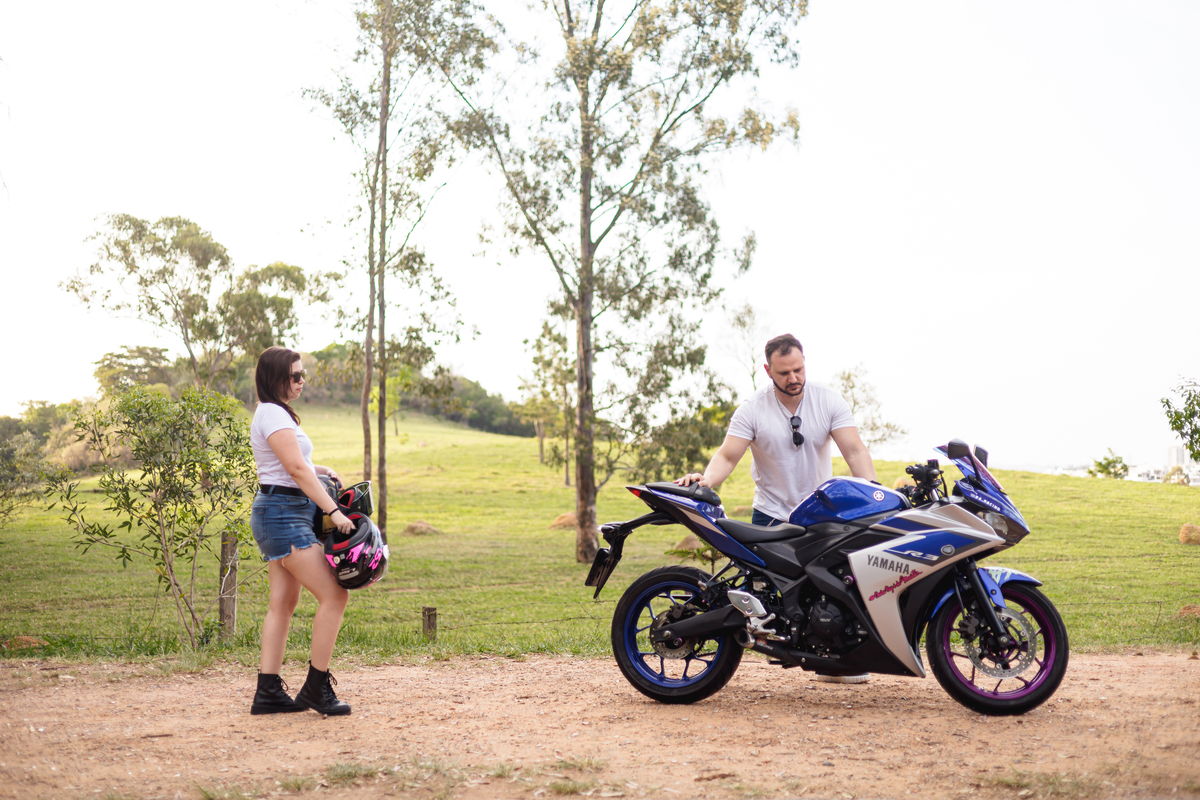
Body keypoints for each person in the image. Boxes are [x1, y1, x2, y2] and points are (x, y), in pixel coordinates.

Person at [675, 333, 876, 683]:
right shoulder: (753, 409)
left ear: (804, 362)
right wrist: (705, 481)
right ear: (768, 371)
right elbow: (728, 455)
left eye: (798, 369)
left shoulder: (828, 400)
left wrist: (874, 492)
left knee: (834, 584)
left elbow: (854, 450)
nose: (793, 378)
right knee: (767, 596)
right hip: (770, 514)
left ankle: (834, 660)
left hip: (819, 514)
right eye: (784, 373)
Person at [248, 346, 355, 716]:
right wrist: (334, 511)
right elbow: (294, 470)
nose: (301, 381)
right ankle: (316, 688)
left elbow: (294, 463)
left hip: (280, 510)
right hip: (283, 515)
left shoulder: (275, 412)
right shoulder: (273, 413)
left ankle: (268, 692)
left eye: (302, 374)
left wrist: (321, 470)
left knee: (282, 603)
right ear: (276, 377)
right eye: (295, 375)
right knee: (335, 594)